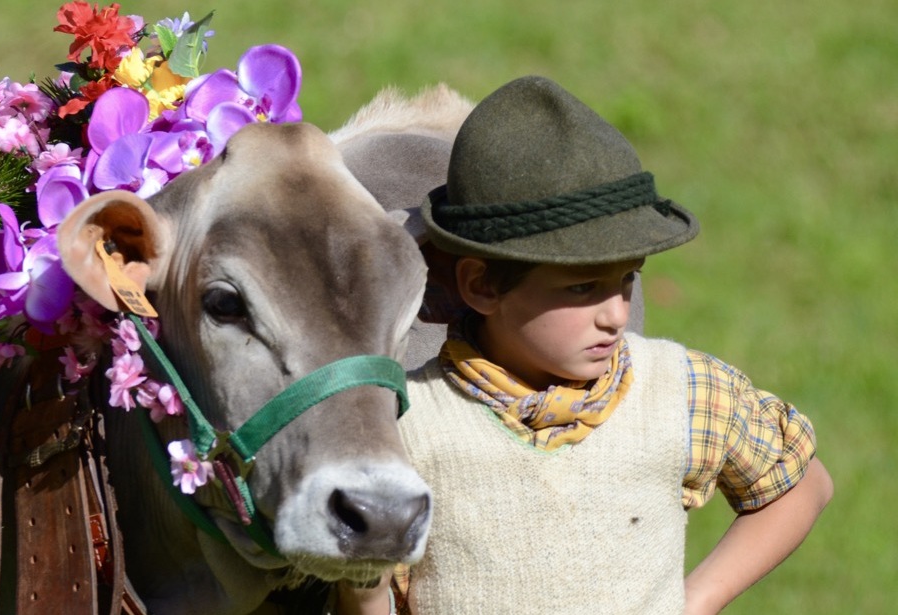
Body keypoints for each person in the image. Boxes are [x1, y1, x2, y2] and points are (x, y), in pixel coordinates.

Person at [336, 76, 833, 614]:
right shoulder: (408, 426)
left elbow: (801, 484)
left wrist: (697, 600)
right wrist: (364, 590)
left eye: (627, 280)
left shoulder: (680, 391)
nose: (617, 315)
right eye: (582, 288)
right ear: (481, 285)